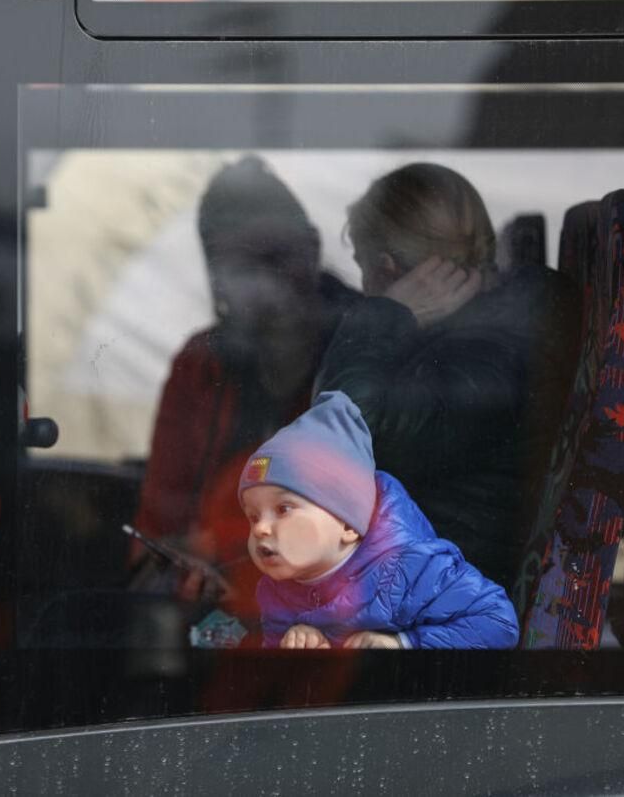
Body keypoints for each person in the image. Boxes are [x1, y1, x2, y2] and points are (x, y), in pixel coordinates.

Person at [315, 163, 578, 591]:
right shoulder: (496, 330)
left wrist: (384, 315)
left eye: (363, 267)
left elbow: (334, 448)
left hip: (439, 604)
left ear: (386, 269)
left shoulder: (480, 357)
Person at [133, 155, 358, 621]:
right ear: (216, 279)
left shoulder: (369, 350)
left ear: (312, 249)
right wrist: (180, 564)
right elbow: (157, 528)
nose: (266, 286)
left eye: (276, 258)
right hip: (219, 621)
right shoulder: (200, 366)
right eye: (242, 268)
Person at [239, 390, 519, 649]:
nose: (260, 528)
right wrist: (299, 645)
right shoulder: (275, 591)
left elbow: (498, 623)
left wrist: (401, 644)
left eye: (283, 509)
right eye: (253, 516)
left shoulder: (411, 570)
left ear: (348, 524)